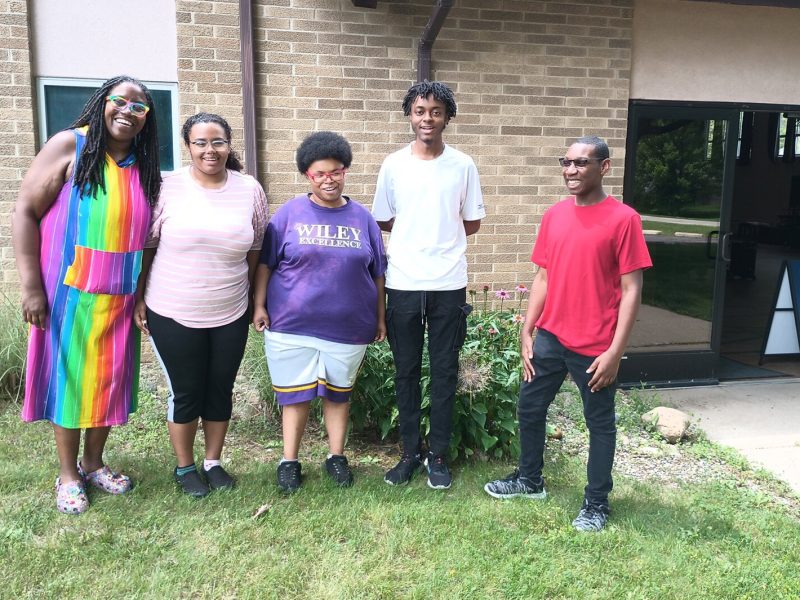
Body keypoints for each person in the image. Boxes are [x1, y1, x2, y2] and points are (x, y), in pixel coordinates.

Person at [484, 136, 652, 532]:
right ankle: (530, 480)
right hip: (550, 336)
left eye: (581, 163)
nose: (571, 170)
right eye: (566, 162)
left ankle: (596, 502)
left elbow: (632, 289)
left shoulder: (624, 219)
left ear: (604, 167)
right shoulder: (554, 215)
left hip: (595, 346)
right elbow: (543, 276)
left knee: (600, 424)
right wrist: (528, 329)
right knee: (529, 407)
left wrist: (615, 352)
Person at [13, 75, 161, 514]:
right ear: (102, 102)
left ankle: (94, 464)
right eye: (120, 101)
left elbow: (144, 240)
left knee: (109, 381)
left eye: (139, 107)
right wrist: (31, 287)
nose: (128, 111)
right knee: (71, 381)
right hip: (68, 292)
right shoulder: (70, 146)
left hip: (120, 294)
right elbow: (24, 211)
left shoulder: (142, 164)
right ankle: (67, 474)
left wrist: (140, 294)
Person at [134, 113, 268, 498]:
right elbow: (147, 246)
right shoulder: (167, 187)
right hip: (172, 308)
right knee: (186, 391)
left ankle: (213, 461)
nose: (210, 150)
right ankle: (185, 467)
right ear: (188, 147)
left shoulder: (249, 189)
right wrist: (138, 297)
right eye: (201, 143)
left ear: (229, 144)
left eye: (218, 142)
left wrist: (252, 298)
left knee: (220, 389)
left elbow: (256, 248)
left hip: (231, 310)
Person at [253, 131, 386, 493]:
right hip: (291, 324)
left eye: (336, 172)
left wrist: (380, 317)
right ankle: (289, 461)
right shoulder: (289, 214)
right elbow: (265, 264)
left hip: (348, 326)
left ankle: (336, 457)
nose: (329, 180)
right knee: (294, 396)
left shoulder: (363, 219)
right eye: (320, 174)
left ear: (345, 171)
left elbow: (378, 273)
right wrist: (259, 305)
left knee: (338, 394)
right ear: (307, 176)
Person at [372, 80, 485, 490]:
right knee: (405, 372)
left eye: (436, 111)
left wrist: (440, 237)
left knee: (443, 372)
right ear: (409, 115)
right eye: (420, 111)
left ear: (447, 117)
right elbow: (383, 217)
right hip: (403, 281)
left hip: (448, 283)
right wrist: (416, 234)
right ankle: (408, 453)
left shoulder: (463, 165)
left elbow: (471, 221)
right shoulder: (393, 165)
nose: (427, 118)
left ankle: (437, 455)